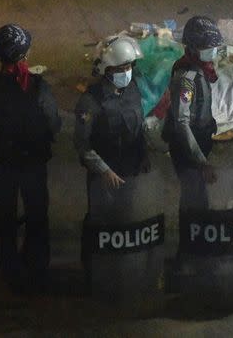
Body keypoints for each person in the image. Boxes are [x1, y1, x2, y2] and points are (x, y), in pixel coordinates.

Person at [0, 24, 62, 292]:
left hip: (2, 165)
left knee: (6, 221)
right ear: (23, 55)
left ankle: (10, 270)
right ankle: (37, 266)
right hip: (32, 163)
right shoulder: (38, 87)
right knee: (37, 215)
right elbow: (53, 121)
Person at [74, 35, 149, 285]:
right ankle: (92, 273)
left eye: (129, 67)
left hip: (129, 170)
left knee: (125, 219)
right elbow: (82, 145)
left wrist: (144, 155)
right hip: (103, 177)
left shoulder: (133, 90)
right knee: (99, 222)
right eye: (120, 68)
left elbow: (139, 127)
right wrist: (104, 171)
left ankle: (119, 270)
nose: (126, 72)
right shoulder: (90, 101)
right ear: (106, 70)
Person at [162, 16, 223, 220]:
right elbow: (182, 122)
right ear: (194, 47)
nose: (212, 50)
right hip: (188, 146)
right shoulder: (186, 79)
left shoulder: (201, 69)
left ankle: (199, 240)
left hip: (199, 140)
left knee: (198, 194)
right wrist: (201, 161)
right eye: (207, 47)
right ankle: (189, 247)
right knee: (192, 197)